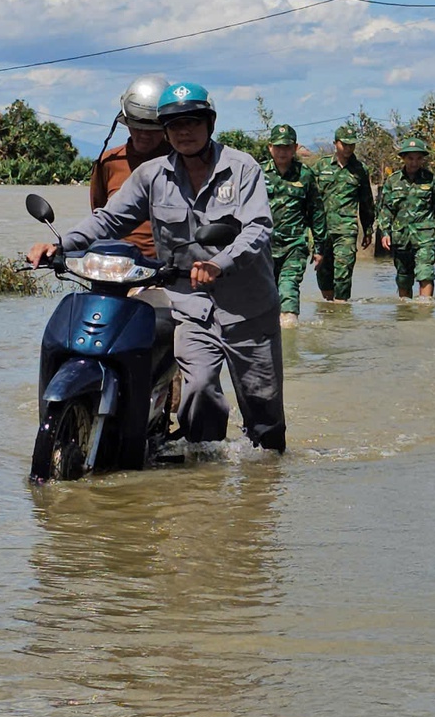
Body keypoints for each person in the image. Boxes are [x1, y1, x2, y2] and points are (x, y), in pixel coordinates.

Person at [27, 81, 285, 452]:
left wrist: (219, 262)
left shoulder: (242, 168)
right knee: (197, 391)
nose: (184, 131)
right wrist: (60, 245)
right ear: (165, 131)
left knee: (265, 417)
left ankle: (266, 482)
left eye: (193, 122)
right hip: (189, 305)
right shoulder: (152, 175)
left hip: (248, 308)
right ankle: (204, 469)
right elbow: (109, 219)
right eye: (175, 125)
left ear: (209, 124)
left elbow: (258, 228)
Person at [88, 74, 173, 257]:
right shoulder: (109, 162)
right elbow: (99, 217)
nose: (144, 135)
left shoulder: (181, 161)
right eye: (137, 127)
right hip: (118, 264)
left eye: (152, 129)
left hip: (168, 267)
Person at [260, 124, 325, 328]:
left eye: (287, 147)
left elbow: (316, 211)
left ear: (295, 147)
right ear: (270, 147)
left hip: (294, 245)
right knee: (264, 295)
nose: (282, 152)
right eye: (278, 147)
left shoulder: (305, 175)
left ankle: (290, 336)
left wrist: (319, 248)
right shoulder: (257, 173)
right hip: (263, 245)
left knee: (288, 288)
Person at [374, 136, 435, 299]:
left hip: (425, 236)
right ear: (403, 158)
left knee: (425, 273)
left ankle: (424, 313)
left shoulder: (430, 180)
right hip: (401, 237)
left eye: (418, 158)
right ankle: (406, 315)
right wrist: (385, 233)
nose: (414, 162)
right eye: (410, 158)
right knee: (404, 278)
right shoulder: (393, 181)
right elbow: (385, 209)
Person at [313, 124, 375, 303]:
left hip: (347, 229)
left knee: (343, 272)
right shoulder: (320, 166)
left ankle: (341, 310)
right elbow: (310, 199)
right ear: (335, 143)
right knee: (323, 275)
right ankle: (329, 312)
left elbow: (366, 203)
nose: (348, 148)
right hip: (322, 229)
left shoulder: (360, 170)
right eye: (344, 144)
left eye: (352, 145)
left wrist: (368, 229)